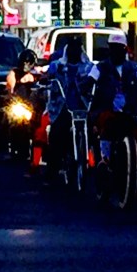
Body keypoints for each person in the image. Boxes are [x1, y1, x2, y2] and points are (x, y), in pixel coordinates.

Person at [84, 32, 137, 199]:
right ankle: (105, 161)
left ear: (125, 49)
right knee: (106, 126)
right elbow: (90, 80)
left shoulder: (135, 68)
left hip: (130, 113)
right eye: (113, 48)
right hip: (107, 110)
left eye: (119, 48)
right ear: (109, 49)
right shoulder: (100, 67)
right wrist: (86, 86)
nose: (116, 52)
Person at [43, 37, 93, 181]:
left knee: (94, 132)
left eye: (77, 47)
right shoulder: (57, 66)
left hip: (83, 107)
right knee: (56, 133)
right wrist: (45, 80)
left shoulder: (89, 67)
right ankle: (52, 172)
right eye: (72, 47)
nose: (74, 51)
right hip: (62, 107)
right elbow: (46, 77)